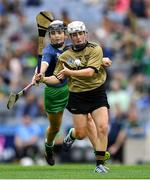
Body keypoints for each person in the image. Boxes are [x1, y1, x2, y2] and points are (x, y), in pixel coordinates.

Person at [35, 21, 110, 173]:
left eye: (80, 33)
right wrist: (42, 78)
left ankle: (99, 164)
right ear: (70, 37)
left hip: (97, 92)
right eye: (74, 35)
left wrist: (71, 72)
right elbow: (57, 77)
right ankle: (71, 135)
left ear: (85, 34)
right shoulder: (65, 55)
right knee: (81, 133)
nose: (78, 37)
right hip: (77, 95)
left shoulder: (95, 48)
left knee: (102, 127)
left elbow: (89, 71)